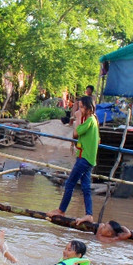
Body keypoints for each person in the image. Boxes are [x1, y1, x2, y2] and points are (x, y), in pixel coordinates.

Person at [47, 96, 99, 225]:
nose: (80, 109)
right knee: (86, 188)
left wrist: (77, 117)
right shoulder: (93, 120)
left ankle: (61, 210)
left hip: (84, 158)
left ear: (87, 108)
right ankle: (89, 214)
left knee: (70, 183)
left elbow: (76, 133)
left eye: (81, 107)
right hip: (88, 158)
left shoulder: (90, 120)